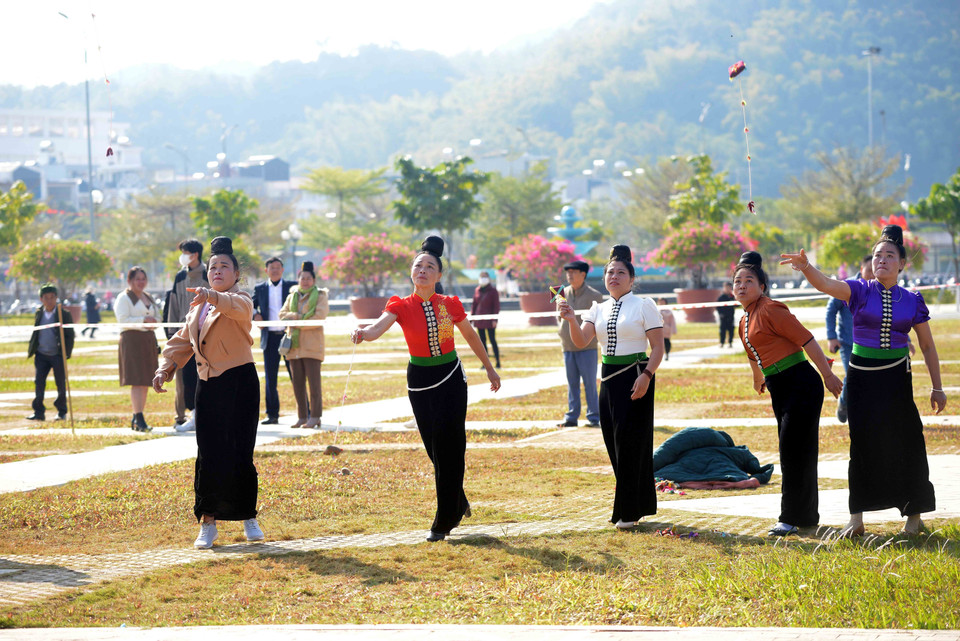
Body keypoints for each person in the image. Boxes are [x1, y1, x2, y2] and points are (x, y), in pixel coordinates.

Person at [781, 225, 946, 536]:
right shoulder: (859, 290)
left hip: (897, 379)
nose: (881, 260)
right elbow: (826, 284)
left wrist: (937, 387)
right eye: (877, 255)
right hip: (861, 379)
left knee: (909, 442)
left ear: (902, 264)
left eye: (889, 255)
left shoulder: (912, 299)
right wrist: (806, 267)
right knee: (862, 445)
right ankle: (856, 520)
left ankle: (914, 517)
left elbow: (926, 345)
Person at [352, 236, 501, 542]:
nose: (422, 269)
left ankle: (443, 521)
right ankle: (457, 500)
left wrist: (488, 367)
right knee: (434, 448)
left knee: (451, 446)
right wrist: (362, 333)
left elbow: (472, 337)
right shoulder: (399, 305)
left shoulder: (450, 305)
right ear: (412, 272)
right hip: (418, 380)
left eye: (429, 266)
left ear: (439, 275)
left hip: (451, 377)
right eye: (418, 265)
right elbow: (378, 327)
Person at [153, 236, 264, 549]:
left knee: (241, 451)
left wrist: (212, 296)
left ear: (235, 274)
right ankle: (208, 522)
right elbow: (180, 340)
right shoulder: (197, 307)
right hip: (208, 386)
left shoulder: (240, 299)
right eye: (213, 266)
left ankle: (248, 517)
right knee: (208, 454)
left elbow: (238, 309)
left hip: (240, 382)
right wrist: (165, 368)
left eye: (224, 266)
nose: (217, 270)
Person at [733, 251, 842, 536]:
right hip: (779, 387)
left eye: (748, 281)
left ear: (762, 287)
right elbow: (753, 356)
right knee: (798, 451)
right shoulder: (744, 321)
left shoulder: (770, 309)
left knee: (792, 451)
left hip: (800, 383)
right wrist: (759, 379)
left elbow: (806, 338)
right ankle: (806, 516)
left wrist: (827, 375)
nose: (742, 286)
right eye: (737, 282)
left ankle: (790, 517)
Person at [558, 245, 664, 529]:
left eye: (620, 272)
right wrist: (570, 319)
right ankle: (633, 504)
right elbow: (581, 341)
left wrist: (647, 376)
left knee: (631, 444)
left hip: (637, 376)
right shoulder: (597, 308)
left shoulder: (644, 305)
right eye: (609, 272)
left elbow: (657, 347)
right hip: (608, 378)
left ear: (631, 279)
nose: (614, 276)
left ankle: (627, 511)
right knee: (614, 444)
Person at [163, 239, 207, 432]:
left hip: (204, 333)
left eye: (185, 252)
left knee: (203, 375)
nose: (182, 256)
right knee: (182, 378)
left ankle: (204, 414)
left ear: (195, 254)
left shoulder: (209, 274)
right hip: (182, 333)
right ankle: (182, 416)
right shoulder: (180, 277)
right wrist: (172, 333)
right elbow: (172, 304)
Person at [279, 261, 328, 429]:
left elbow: (318, 319)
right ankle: (302, 417)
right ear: (298, 279)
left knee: (314, 385)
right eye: (302, 278)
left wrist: (296, 321)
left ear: (313, 280)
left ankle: (315, 416)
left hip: (312, 346)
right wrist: (298, 316)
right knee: (297, 384)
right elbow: (282, 315)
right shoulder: (291, 296)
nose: (305, 281)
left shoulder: (321, 296)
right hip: (294, 347)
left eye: (308, 278)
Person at [826, 254, 873, 423]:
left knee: (867, 377)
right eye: (869, 270)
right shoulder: (847, 287)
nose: (873, 274)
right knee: (853, 374)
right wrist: (831, 337)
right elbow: (831, 310)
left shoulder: (878, 289)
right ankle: (845, 404)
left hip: (869, 344)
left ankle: (865, 410)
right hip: (847, 343)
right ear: (862, 270)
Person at [557, 260, 604, 427]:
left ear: (583, 274)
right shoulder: (562, 294)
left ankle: (594, 416)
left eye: (573, 271)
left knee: (590, 383)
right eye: (568, 272)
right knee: (572, 383)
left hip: (587, 347)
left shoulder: (595, 296)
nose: (569, 275)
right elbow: (559, 317)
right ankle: (571, 416)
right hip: (567, 346)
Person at [115, 267, 160, 432]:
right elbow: (123, 319)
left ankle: (137, 415)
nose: (141, 282)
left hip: (148, 340)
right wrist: (143, 320)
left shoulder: (148, 297)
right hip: (132, 340)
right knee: (136, 380)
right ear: (129, 281)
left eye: (143, 278)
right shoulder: (124, 298)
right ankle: (139, 416)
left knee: (147, 380)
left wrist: (153, 321)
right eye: (137, 279)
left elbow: (158, 316)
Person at [252, 257, 296, 424]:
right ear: (266, 270)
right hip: (269, 338)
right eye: (272, 268)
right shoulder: (260, 288)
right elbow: (250, 304)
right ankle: (272, 415)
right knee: (270, 378)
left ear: (283, 270)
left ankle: (305, 412)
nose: (275, 270)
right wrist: (255, 314)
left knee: (296, 376)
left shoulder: (292, 287)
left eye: (278, 267)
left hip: (289, 337)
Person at [27, 284, 75, 421]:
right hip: (41, 354)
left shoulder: (63, 314)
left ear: (56, 298)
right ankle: (39, 411)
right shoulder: (39, 313)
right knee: (39, 382)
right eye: (46, 298)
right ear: (41, 299)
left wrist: (67, 352)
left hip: (57, 354)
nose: (49, 301)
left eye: (52, 297)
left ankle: (61, 411)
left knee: (60, 383)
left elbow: (70, 335)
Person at [471, 270, 501, 369]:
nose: (483, 279)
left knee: (492, 340)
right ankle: (485, 363)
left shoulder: (493, 291)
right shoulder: (477, 290)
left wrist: (494, 320)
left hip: (490, 320)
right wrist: (472, 317)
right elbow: (474, 305)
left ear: (488, 279)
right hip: (479, 320)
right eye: (481, 276)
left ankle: (498, 362)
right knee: (482, 342)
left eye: (485, 277)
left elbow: (496, 306)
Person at [717, 281, 735, 347]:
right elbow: (718, 307)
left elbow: (736, 305)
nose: (728, 289)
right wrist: (720, 314)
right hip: (723, 317)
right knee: (722, 330)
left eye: (729, 288)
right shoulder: (721, 297)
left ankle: (730, 342)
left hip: (730, 316)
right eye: (726, 288)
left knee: (731, 330)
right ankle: (722, 342)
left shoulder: (732, 297)